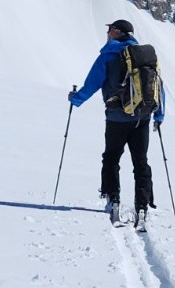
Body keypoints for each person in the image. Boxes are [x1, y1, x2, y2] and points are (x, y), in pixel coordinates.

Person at [68, 19, 164, 223]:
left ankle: (113, 199)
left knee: (111, 157)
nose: (108, 33)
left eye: (110, 30)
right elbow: (158, 86)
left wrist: (75, 99)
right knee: (141, 161)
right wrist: (159, 115)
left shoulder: (109, 55)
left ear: (117, 32)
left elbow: (92, 83)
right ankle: (142, 205)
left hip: (116, 118)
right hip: (142, 119)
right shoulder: (144, 56)